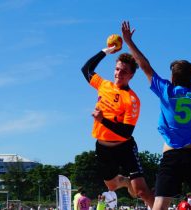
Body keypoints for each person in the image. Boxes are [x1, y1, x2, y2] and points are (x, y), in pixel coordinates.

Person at [120, 21, 191, 210]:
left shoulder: (165, 90)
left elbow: (143, 65)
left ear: (172, 78)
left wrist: (129, 41)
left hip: (171, 156)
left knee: (160, 206)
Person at [81, 24, 154, 207]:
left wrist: (102, 120)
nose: (119, 73)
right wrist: (106, 51)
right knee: (112, 186)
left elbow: (126, 133)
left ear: (131, 76)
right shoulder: (103, 85)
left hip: (124, 147)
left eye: (124, 71)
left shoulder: (132, 99)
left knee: (142, 191)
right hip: (102, 147)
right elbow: (86, 69)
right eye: (117, 69)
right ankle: (125, 181)